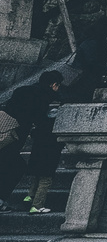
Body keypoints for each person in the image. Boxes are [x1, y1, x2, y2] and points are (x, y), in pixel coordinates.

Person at [24, 23, 107, 213]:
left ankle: (28, 197)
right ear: (54, 84)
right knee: (46, 177)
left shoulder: (41, 101)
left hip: (39, 143)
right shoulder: (95, 45)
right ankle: (36, 205)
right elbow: (92, 65)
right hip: (49, 146)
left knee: (36, 175)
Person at [0, 73, 61, 212]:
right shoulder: (44, 97)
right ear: (54, 85)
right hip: (13, 136)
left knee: (12, 165)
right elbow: (40, 120)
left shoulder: (22, 90)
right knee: (16, 166)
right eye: (58, 86)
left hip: (4, 130)